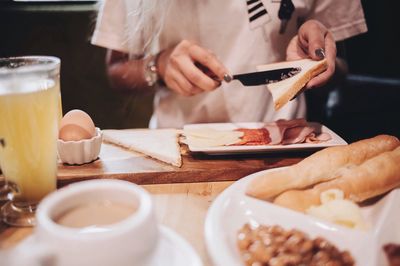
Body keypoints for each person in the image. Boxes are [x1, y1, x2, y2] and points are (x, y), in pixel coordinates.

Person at [91, 0, 367, 129]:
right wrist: (159, 66)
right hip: (178, 146)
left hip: (281, 144)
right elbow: (116, 71)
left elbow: (340, 68)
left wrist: (315, 65)